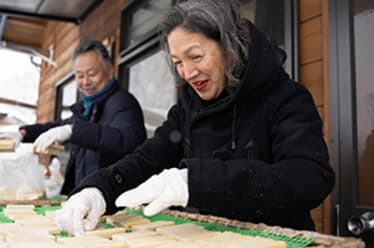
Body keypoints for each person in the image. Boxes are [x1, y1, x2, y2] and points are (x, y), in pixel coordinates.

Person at [55, 0, 335, 237]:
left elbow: (309, 178)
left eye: (196, 56)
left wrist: (194, 182)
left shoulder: (284, 97)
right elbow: (148, 158)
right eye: (178, 62)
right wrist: (99, 189)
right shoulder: (189, 107)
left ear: (229, 45)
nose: (187, 73)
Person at [19, 40, 146, 195]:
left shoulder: (122, 103)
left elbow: (127, 141)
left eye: (92, 74)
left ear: (110, 71)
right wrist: (23, 133)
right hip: (85, 195)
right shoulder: (87, 108)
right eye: (80, 76)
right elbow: (57, 126)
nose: (85, 82)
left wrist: (74, 131)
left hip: (112, 198)